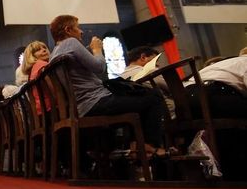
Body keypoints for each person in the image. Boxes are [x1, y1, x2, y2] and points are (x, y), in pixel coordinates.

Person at [48, 14, 168, 159]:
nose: (81, 31)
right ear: (68, 30)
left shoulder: (54, 52)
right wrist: (97, 50)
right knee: (153, 96)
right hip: (96, 102)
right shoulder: (71, 43)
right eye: (78, 27)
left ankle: (136, 146)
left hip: (83, 105)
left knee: (137, 97)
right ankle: (150, 145)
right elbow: (99, 67)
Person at [185, 53, 247, 179]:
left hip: (187, 100)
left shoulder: (228, 63)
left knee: (227, 130)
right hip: (213, 95)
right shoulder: (244, 61)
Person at [20, 40, 51, 113]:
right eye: (38, 50)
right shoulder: (42, 65)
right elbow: (54, 91)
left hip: (40, 112)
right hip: (50, 109)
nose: (43, 50)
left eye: (44, 47)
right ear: (31, 56)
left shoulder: (33, 70)